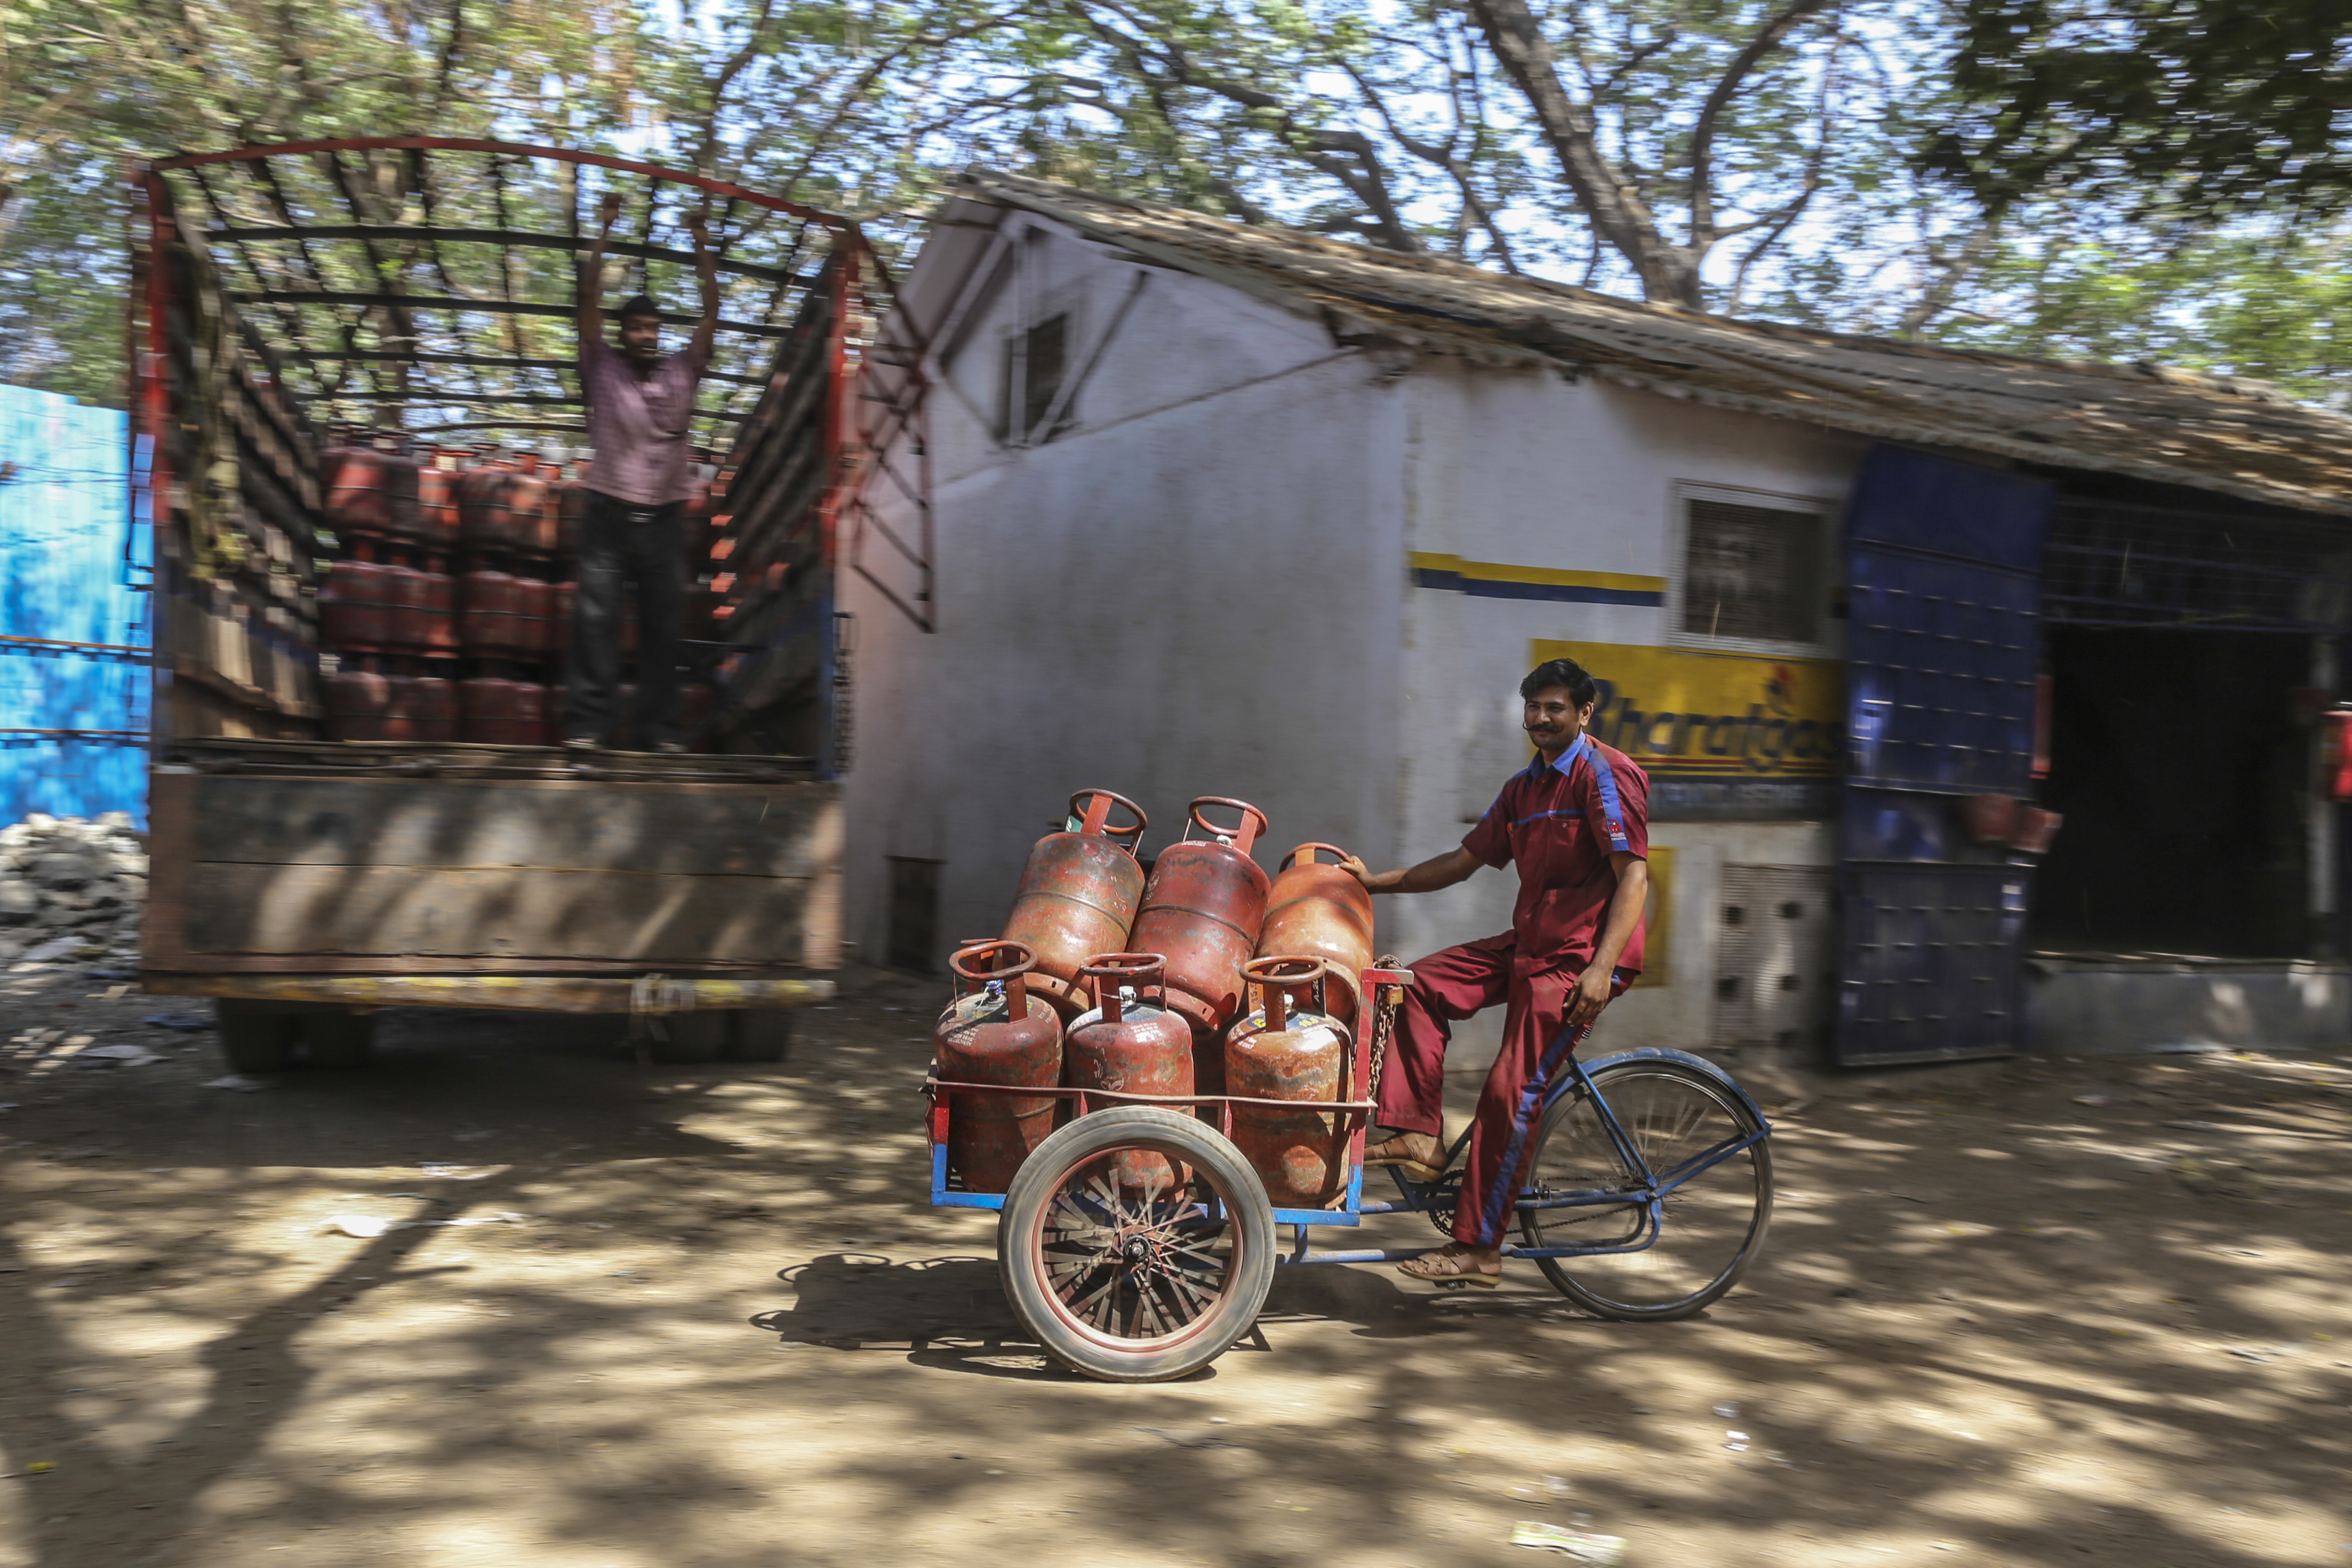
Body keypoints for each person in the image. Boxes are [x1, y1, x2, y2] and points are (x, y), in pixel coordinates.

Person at [1340, 656, 1651, 1288]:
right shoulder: (1524, 789)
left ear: (1584, 713)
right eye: (1532, 708)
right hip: (1530, 946)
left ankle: (1479, 1248)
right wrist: (1375, 884)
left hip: (1577, 960)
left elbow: (1634, 876)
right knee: (1415, 986)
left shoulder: (1604, 774)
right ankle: (1418, 1135)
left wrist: (1601, 969)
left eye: (1554, 708)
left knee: (1510, 1090)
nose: (1539, 719)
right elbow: (1461, 861)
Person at [567, 191, 720, 752]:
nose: (646, 335)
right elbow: (586, 295)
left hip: (665, 518)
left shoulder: (683, 369)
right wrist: (604, 229)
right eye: (636, 327)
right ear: (621, 331)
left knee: (662, 627)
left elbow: (711, 312)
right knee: (597, 624)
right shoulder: (600, 365)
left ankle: (658, 730)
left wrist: (702, 246)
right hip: (607, 511)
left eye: (653, 327)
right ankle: (589, 728)